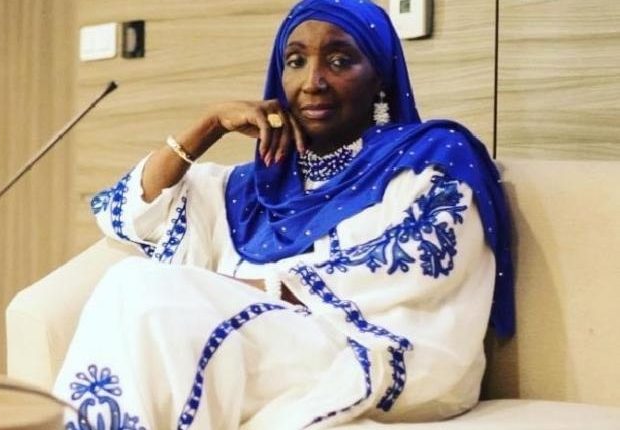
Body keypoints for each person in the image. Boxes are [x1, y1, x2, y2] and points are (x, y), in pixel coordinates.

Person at [54, 0, 514, 429]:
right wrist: (208, 125)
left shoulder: (429, 156)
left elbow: (418, 261)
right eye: (295, 61)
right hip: (260, 341)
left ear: (379, 75)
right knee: (133, 288)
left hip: (366, 345)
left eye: (339, 61)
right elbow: (129, 214)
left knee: (144, 293)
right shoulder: (250, 187)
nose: (313, 81)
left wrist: (248, 290)